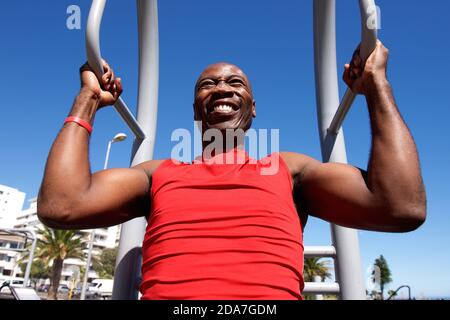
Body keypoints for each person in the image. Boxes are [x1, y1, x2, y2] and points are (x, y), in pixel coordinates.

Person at [37, 40, 426, 300]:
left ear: (252, 108)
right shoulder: (156, 174)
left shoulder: (288, 170)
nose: (222, 88)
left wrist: (375, 85)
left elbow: (400, 206)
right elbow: (62, 205)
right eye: (209, 84)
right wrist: (88, 99)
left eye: (235, 82)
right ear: (195, 110)